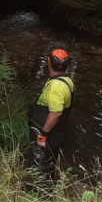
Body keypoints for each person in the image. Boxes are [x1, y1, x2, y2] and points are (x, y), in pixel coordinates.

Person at [27, 47, 75, 182]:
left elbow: (56, 113)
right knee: (50, 163)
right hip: (58, 132)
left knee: (40, 163)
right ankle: (48, 187)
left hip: (48, 134)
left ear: (48, 62)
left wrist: (43, 133)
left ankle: (39, 191)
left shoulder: (56, 87)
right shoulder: (68, 81)